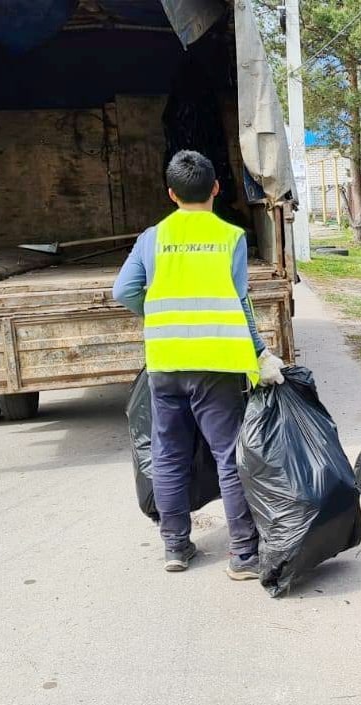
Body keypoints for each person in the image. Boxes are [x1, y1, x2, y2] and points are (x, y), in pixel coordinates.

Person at [113, 150, 286, 579]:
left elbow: (123, 291)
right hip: (218, 362)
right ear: (215, 188)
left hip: (167, 361)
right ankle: (244, 555)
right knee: (228, 455)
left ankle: (175, 547)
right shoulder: (231, 238)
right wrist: (261, 352)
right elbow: (240, 302)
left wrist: (158, 314)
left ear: (171, 193)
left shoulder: (152, 238)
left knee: (168, 454)